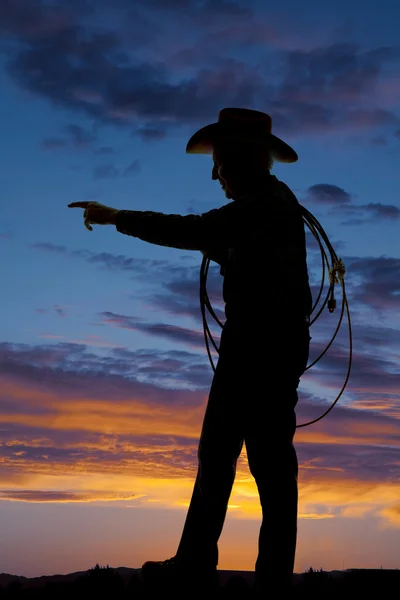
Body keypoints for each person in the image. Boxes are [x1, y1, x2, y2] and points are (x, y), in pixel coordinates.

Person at [68, 108, 313, 594]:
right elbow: (227, 244)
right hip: (267, 347)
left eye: (219, 161)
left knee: (241, 457)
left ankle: (205, 565)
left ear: (240, 159)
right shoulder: (271, 206)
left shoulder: (262, 204)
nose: (214, 173)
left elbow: (195, 230)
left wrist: (116, 217)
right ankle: (242, 571)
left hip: (257, 349)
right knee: (253, 458)